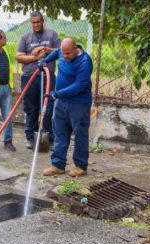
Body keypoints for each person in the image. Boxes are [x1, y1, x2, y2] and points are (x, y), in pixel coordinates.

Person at [41, 38, 93, 177]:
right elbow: (57, 52)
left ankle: (81, 166)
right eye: (63, 53)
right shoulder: (63, 52)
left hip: (79, 104)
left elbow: (80, 85)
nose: (64, 56)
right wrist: (45, 60)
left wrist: (58, 93)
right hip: (61, 102)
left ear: (76, 49)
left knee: (80, 134)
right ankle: (58, 165)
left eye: (68, 53)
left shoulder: (84, 62)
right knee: (60, 133)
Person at [16, 11, 61, 150]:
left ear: (43, 21)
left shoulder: (52, 35)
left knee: (48, 109)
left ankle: (49, 140)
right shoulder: (25, 38)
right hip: (30, 78)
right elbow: (19, 57)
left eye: (38, 22)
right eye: (33, 22)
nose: (36, 25)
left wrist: (45, 49)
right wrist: (36, 58)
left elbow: (60, 51)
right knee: (31, 109)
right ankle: (30, 138)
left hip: (48, 78)